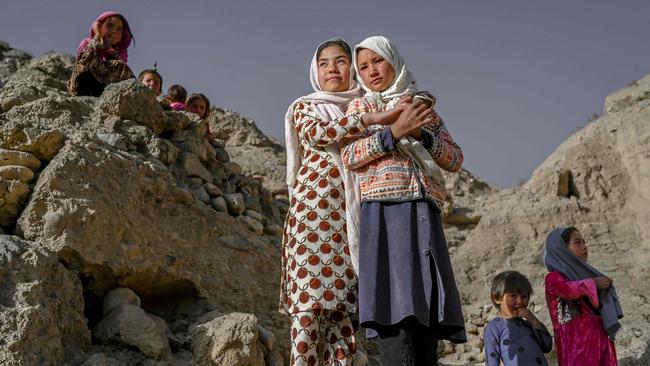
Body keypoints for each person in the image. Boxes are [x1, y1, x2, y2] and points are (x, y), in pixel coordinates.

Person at [341, 35, 466, 365]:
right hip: (384, 216)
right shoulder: (362, 108)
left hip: (423, 213)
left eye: (377, 61)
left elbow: (454, 159)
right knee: (394, 311)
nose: (372, 71)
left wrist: (418, 133)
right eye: (363, 66)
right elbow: (350, 154)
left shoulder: (422, 107)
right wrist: (392, 133)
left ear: (394, 61)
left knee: (425, 312)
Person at [281, 38, 402, 366]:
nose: (332, 68)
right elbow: (319, 134)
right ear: (315, 71)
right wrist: (372, 120)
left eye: (340, 61)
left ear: (353, 69)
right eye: (324, 63)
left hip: (349, 230)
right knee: (307, 318)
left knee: (343, 323)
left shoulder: (364, 104)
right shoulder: (305, 106)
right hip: (310, 228)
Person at [544, 227, 623, 366]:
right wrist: (593, 283)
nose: (584, 247)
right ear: (561, 249)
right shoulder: (554, 278)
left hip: (601, 342)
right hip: (576, 350)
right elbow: (567, 290)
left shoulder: (586, 275)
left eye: (584, 242)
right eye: (577, 243)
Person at [483, 271, 552, 366]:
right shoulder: (494, 327)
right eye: (513, 296)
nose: (519, 301)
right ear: (497, 298)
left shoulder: (528, 325)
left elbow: (547, 346)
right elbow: (492, 360)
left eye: (524, 296)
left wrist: (532, 319)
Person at [68, 11, 134, 97]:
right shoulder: (87, 42)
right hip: (83, 83)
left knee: (120, 64)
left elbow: (119, 72)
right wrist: (97, 36)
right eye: (110, 25)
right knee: (90, 51)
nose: (114, 31)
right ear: (100, 26)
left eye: (119, 29)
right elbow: (83, 57)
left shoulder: (121, 53)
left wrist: (109, 49)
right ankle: (83, 92)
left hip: (105, 89)